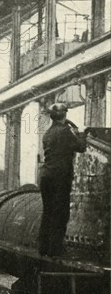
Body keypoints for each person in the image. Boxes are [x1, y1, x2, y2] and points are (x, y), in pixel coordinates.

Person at [38, 103, 86, 257]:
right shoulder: (65, 132)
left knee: (48, 212)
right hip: (60, 177)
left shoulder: (48, 133)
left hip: (46, 177)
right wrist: (79, 133)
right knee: (61, 213)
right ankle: (56, 250)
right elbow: (81, 147)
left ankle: (43, 248)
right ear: (65, 115)